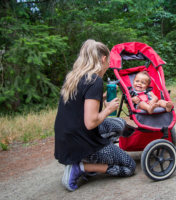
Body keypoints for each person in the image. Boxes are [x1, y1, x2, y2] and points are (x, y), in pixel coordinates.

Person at [54, 39, 136, 192]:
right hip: (81, 142)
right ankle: (81, 166)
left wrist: (103, 98)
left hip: (66, 140)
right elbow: (91, 122)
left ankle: (93, 158)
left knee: (119, 124)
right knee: (130, 167)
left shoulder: (74, 76)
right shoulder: (95, 80)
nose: (108, 67)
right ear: (103, 59)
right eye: (108, 62)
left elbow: (81, 105)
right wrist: (107, 109)